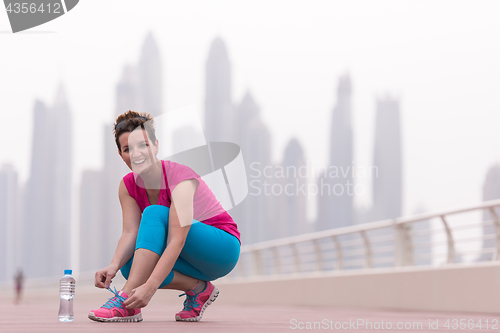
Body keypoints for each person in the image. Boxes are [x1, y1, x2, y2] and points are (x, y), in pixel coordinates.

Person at [88, 111, 241, 323]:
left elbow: (177, 239)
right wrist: (113, 265)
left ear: (156, 145)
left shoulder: (180, 178)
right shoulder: (128, 185)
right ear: (121, 154)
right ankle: (199, 290)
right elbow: (130, 232)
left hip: (221, 249)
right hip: (189, 254)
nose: (136, 153)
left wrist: (150, 287)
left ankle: (125, 303)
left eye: (143, 145)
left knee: (155, 212)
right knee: (130, 266)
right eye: (127, 149)